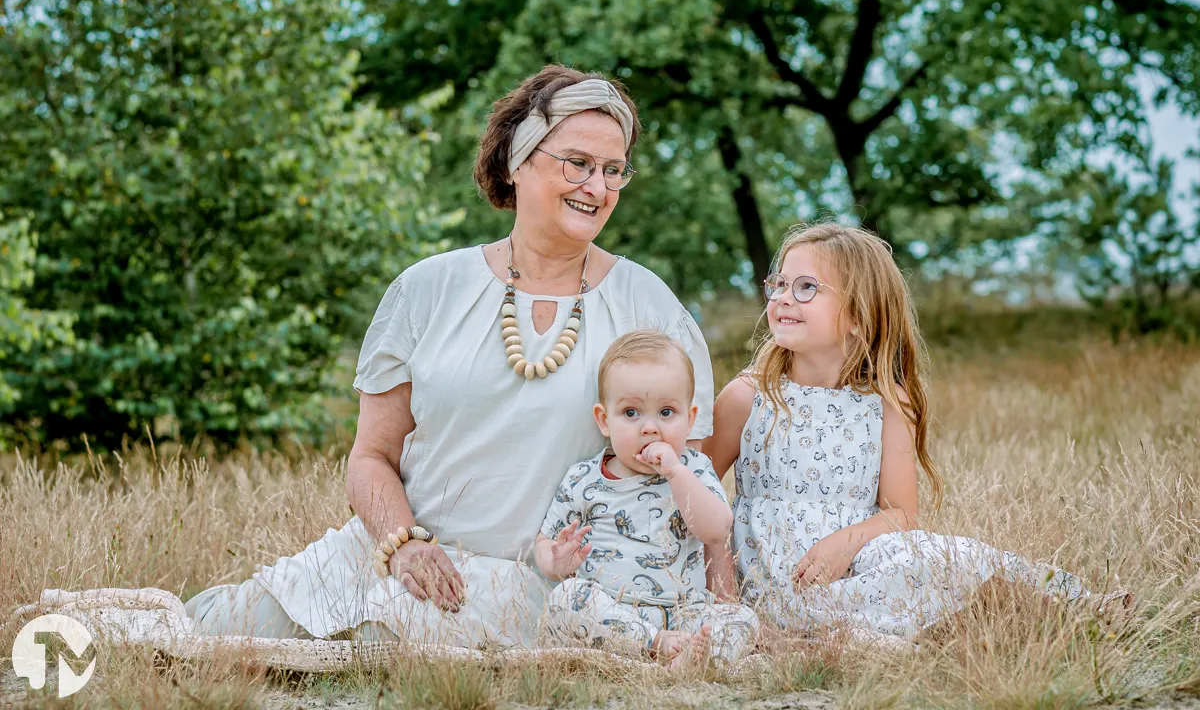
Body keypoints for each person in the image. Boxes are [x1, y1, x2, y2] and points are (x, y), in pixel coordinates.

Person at [184, 65, 715, 648]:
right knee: (204, 632)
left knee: (381, 658)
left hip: (548, 595)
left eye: (614, 170)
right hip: (400, 560)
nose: (598, 187)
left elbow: (686, 488)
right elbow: (370, 457)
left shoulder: (650, 307)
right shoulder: (427, 288)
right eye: (578, 163)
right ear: (518, 161)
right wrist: (404, 542)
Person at [702, 222, 1131, 641]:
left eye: (806, 288)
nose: (783, 298)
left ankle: (1075, 605)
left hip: (862, 556)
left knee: (943, 557)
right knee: (913, 584)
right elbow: (697, 490)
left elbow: (902, 514)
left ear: (858, 315)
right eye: (778, 284)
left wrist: (846, 542)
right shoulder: (749, 397)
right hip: (783, 578)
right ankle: (996, 617)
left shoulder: (887, 403)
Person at [536, 331, 759, 668]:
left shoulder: (693, 469)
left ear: (690, 418)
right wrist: (554, 561)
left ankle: (698, 656)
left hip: (688, 612)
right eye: (631, 413)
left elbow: (716, 530)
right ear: (603, 420)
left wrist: (675, 473)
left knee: (741, 618)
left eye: (667, 412)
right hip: (616, 610)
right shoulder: (584, 478)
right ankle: (653, 645)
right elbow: (545, 540)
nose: (650, 427)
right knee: (567, 598)